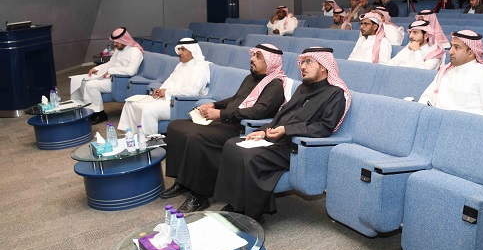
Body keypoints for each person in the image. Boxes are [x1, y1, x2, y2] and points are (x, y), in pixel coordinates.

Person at [214, 47, 351, 221]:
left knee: (251, 156)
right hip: (277, 139)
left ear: (324, 66)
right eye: (302, 62)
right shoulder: (303, 88)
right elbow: (282, 114)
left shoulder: (335, 94)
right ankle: (236, 204)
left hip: (295, 147)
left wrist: (287, 130)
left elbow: (324, 127)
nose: (302, 66)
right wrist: (263, 131)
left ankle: (251, 214)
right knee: (232, 144)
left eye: (308, 62)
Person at [162, 44, 288, 213]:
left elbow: (257, 112)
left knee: (196, 137)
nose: (252, 59)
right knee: (175, 127)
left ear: (270, 62)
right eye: (253, 55)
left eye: (258, 57)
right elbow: (235, 99)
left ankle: (199, 195)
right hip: (227, 120)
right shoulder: (251, 77)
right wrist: (214, 105)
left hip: (242, 128)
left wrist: (220, 114)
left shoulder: (275, 85)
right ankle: (183, 181)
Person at [117, 38, 210, 135]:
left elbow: (192, 91)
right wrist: (160, 90)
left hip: (181, 103)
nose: (179, 53)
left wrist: (166, 92)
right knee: (131, 103)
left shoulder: (199, 68)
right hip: (168, 99)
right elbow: (170, 80)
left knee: (149, 109)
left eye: (183, 49)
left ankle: (150, 141)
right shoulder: (180, 65)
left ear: (192, 50)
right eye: (179, 49)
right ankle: (133, 136)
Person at [70, 27, 144, 124]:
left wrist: (111, 71)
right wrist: (97, 69)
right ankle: (88, 111)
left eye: (117, 42)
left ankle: (99, 114)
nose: (115, 44)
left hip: (122, 81)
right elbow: (110, 64)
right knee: (83, 82)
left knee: (91, 85)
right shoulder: (118, 50)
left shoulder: (135, 52)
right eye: (114, 42)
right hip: (111, 78)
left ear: (124, 40)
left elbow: (131, 71)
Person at [419, 30, 483, 115]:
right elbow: (426, 97)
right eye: (451, 46)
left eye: (456, 47)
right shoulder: (445, 71)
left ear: (470, 53)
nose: (450, 51)